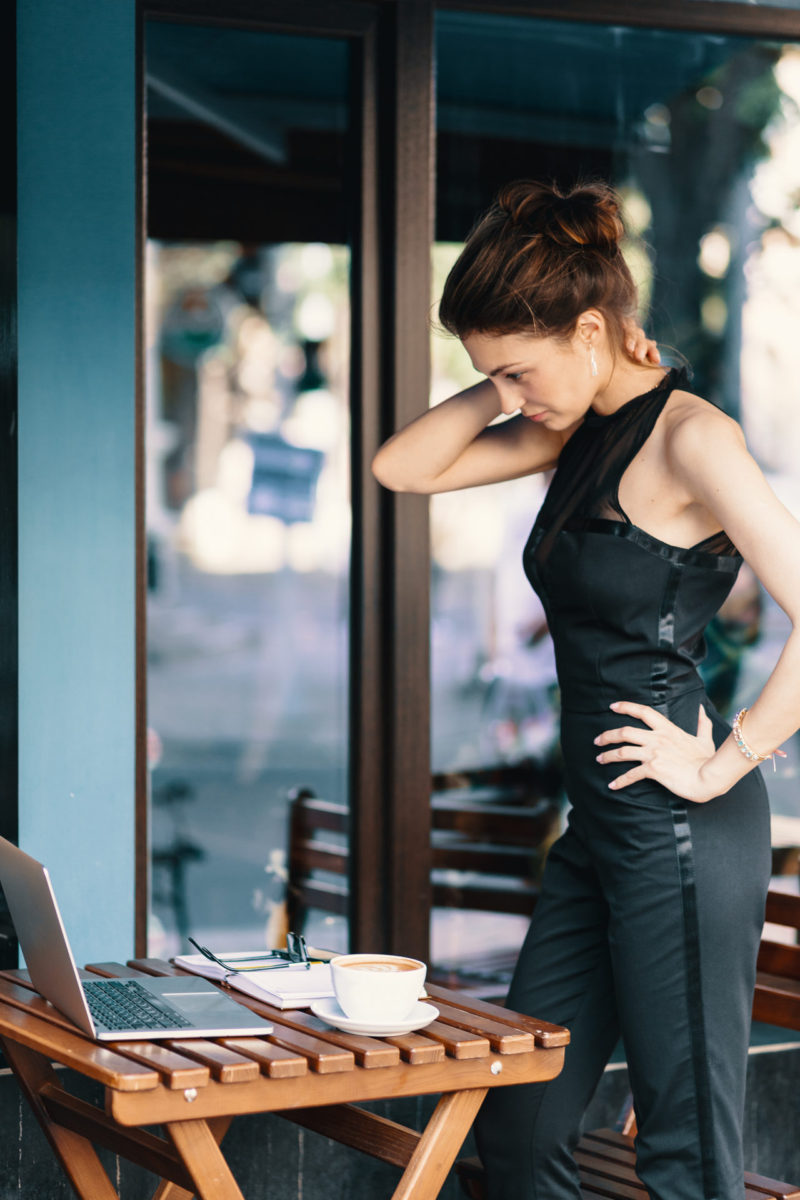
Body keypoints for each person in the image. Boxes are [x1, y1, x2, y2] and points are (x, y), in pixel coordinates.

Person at [372, 180, 799, 1200]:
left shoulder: (691, 438)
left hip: (680, 833)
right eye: (492, 374)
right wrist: (497, 382)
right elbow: (401, 468)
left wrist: (723, 757)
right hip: (598, 834)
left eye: (517, 366)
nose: (510, 394)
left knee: (683, 1156)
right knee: (518, 1133)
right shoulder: (571, 432)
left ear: (591, 328)